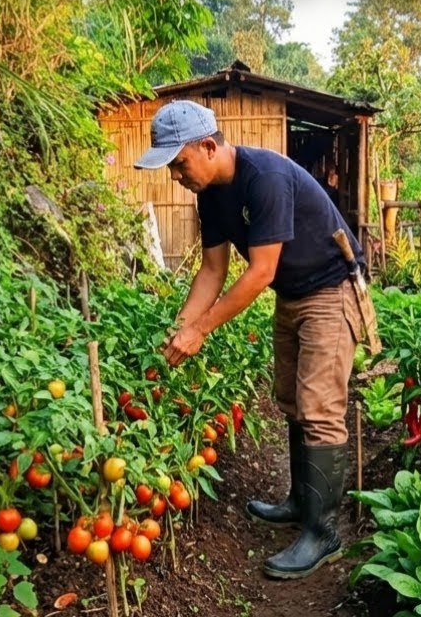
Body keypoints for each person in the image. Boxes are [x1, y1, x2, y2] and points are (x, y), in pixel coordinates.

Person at [134, 100, 367, 580]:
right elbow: (213, 269)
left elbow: (260, 272)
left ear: (209, 145)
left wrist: (201, 330)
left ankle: (323, 534)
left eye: (179, 163)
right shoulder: (210, 194)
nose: (176, 176)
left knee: (319, 407)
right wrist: (183, 324)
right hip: (294, 293)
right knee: (290, 399)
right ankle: (302, 502)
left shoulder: (264, 177)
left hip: (331, 288)